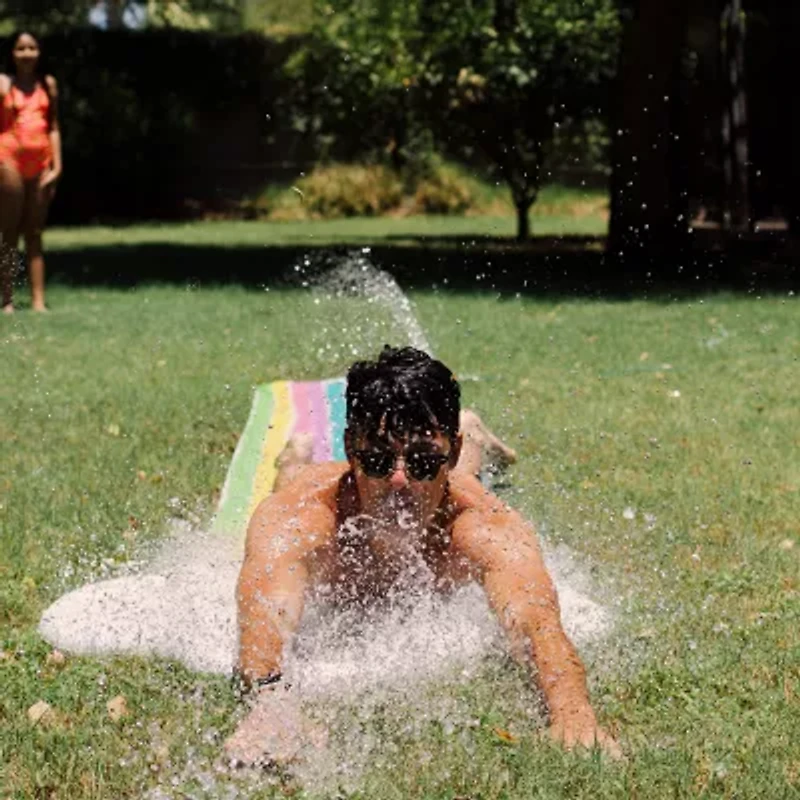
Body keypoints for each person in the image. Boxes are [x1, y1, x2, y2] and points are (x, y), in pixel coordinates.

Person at [226, 346, 620, 765]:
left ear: (450, 452)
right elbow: (264, 614)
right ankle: (294, 456)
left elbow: (536, 623)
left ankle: (473, 435)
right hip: (309, 486)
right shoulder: (302, 518)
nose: (399, 481)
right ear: (350, 450)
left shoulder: (483, 526)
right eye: (377, 459)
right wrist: (269, 704)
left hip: (459, 479)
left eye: (424, 461)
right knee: (291, 481)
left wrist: (573, 715)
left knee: (465, 480)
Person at [0, 31, 62, 313]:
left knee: (35, 232)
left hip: (41, 164)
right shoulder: (4, 84)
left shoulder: (47, 84)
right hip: (9, 160)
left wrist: (57, 165)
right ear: (12, 53)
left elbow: (53, 127)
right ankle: (7, 300)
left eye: (32, 47)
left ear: (40, 51)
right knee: (9, 230)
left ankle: (38, 301)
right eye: (21, 48)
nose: (27, 53)